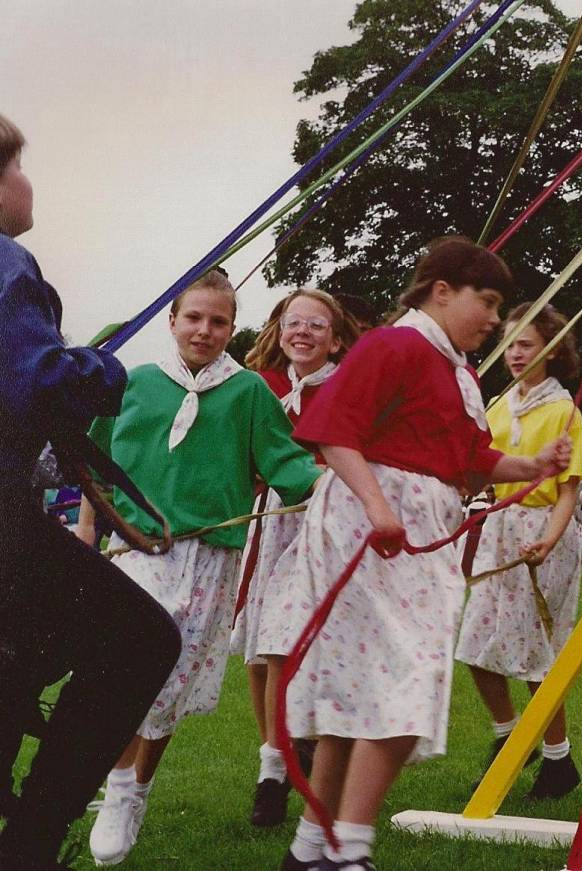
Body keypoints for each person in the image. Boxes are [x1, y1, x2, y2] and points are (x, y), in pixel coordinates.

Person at [273, 237, 570, 871]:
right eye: (485, 302)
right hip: (373, 528)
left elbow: (470, 460)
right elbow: (333, 432)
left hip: (413, 527)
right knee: (407, 679)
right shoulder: (395, 345)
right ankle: (348, 846)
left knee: (364, 688)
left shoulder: (454, 369)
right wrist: (380, 508)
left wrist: (533, 463)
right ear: (441, 290)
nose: (494, 320)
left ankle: (311, 848)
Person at [79, 270, 323, 866]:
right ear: (172, 319)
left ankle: (139, 786)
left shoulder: (248, 394)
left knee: (176, 679)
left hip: (211, 560)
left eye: (218, 321)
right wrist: (88, 529)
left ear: (232, 328)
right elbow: (94, 458)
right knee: (125, 668)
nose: (205, 331)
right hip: (138, 551)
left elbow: (288, 463)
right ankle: (116, 787)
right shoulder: (135, 384)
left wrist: (355, 486)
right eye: (193, 318)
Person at [0, 112, 181, 871]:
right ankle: (34, 841)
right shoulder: (7, 262)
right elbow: (32, 378)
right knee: (141, 639)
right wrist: (105, 372)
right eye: (17, 167)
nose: (25, 182)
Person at [232, 289, 358, 828]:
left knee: (309, 640)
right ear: (277, 328)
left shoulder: (349, 386)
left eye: (315, 324)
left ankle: (305, 741)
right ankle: (272, 763)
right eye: (293, 322)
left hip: (325, 523)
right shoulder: (259, 385)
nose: (302, 332)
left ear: (334, 336)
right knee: (263, 642)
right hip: (271, 523)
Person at [456, 301, 582, 800]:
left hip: (542, 533)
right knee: (475, 645)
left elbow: (570, 489)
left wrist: (549, 540)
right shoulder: (495, 406)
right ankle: (511, 733)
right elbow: (481, 470)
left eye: (526, 345)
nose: (514, 354)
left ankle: (557, 760)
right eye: (509, 344)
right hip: (500, 530)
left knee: (538, 656)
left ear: (550, 352)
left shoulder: (564, 411)